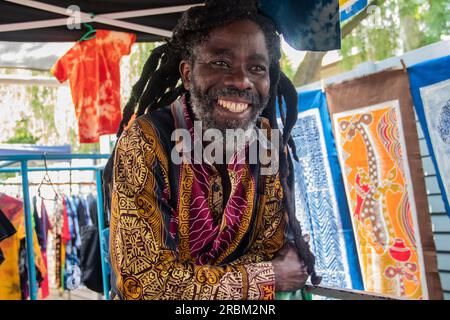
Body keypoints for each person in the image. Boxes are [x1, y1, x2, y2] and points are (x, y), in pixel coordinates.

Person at [104, 0, 321, 300]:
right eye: (221, 63)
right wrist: (267, 276)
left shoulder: (268, 143)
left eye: (257, 68)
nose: (241, 81)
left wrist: (192, 280)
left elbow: (272, 248)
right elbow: (144, 283)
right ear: (187, 72)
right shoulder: (146, 140)